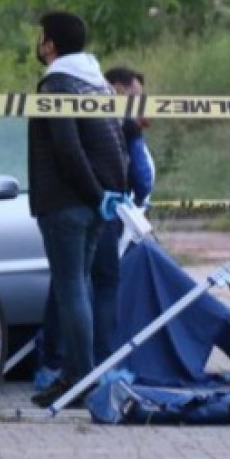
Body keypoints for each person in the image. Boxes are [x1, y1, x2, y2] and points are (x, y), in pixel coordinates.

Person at [28, 12, 128, 408]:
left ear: (50, 44)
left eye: (41, 37)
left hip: (67, 201)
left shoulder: (56, 84)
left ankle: (79, 378)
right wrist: (110, 193)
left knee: (71, 288)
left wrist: (91, 192)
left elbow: (67, 147)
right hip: (96, 202)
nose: (38, 43)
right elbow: (118, 140)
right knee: (80, 285)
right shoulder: (99, 83)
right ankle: (78, 373)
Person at [89, 66, 155, 362]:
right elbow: (142, 178)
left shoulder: (76, 106)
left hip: (70, 207)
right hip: (109, 211)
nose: (139, 105)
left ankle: (56, 362)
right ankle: (102, 359)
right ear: (117, 88)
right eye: (135, 96)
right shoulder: (125, 126)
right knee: (105, 284)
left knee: (68, 285)